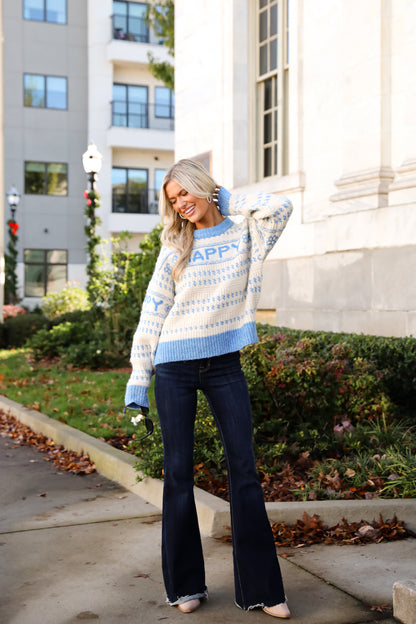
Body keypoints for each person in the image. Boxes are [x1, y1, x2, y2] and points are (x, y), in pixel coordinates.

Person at [125, 159, 293, 618]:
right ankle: (184, 588)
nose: (181, 204)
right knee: (178, 474)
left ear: (205, 188)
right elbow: (153, 314)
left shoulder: (245, 234)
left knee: (245, 471)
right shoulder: (174, 246)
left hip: (224, 365)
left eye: (186, 193)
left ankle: (263, 590)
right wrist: (140, 376)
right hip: (174, 365)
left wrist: (228, 199)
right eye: (173, 199)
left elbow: (280, 206)